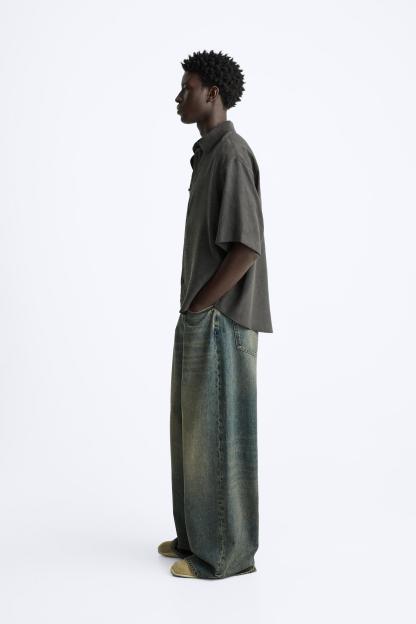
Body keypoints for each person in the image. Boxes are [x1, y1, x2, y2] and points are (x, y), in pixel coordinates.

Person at [158, 49, 273, 580]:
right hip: (201, 316)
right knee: (193, 434)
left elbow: (246, 248)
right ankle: (195, 537)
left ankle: (224, 556)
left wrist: (203, 303)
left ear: (213, 93)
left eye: (188, 88)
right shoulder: (207, 155)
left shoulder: (231, 154)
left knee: (219, 437)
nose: (179, 97)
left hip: (222, 318)